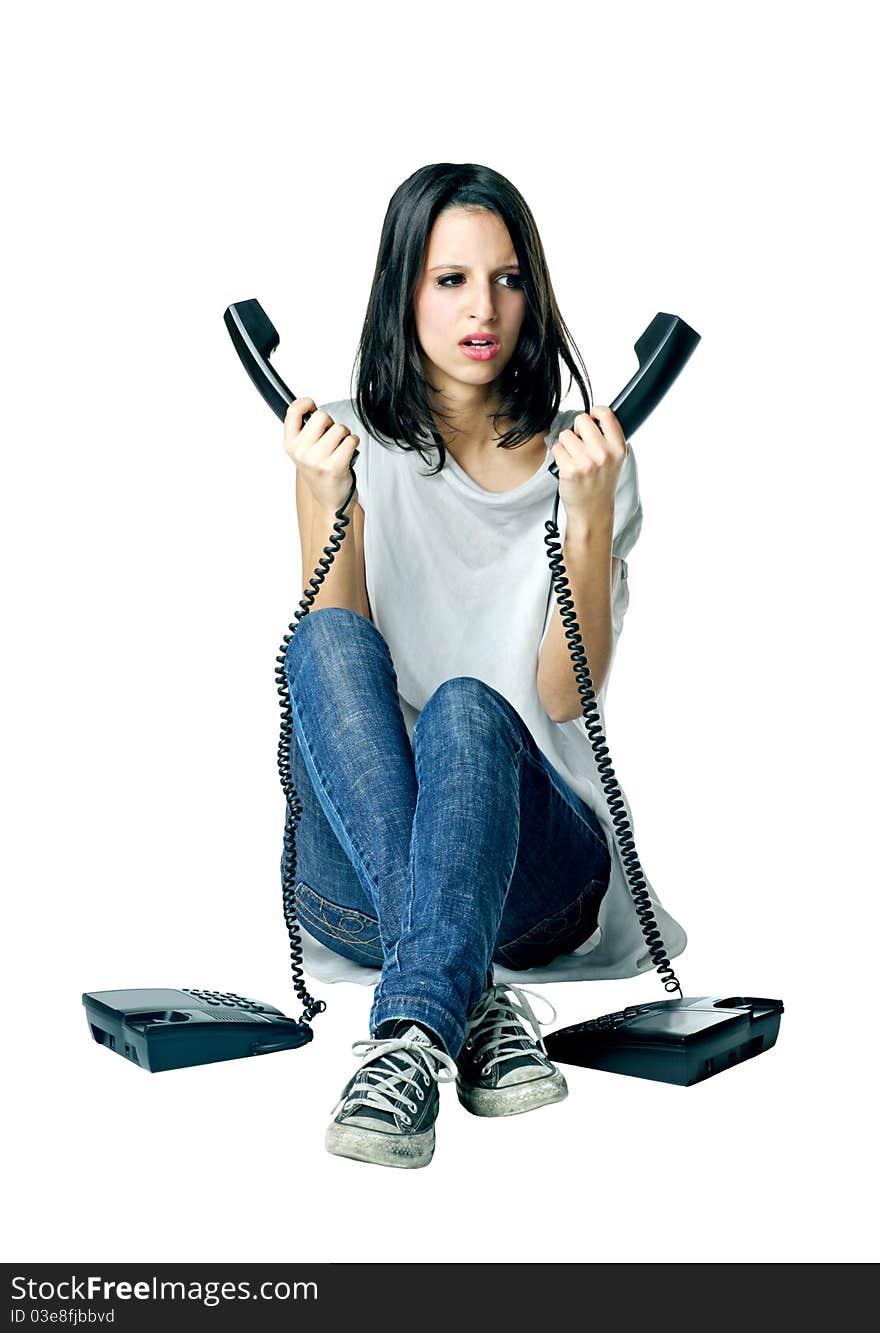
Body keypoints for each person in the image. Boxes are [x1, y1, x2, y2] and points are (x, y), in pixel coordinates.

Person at [280, 162, 686, 1169]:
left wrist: (585, 513)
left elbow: (560, 695)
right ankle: (460, 990)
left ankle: (412, 1028)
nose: (484, 309)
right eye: (450, 279)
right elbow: (337, 683)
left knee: (469, 706)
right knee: (322, 640)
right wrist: (330, 499)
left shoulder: (587, 460)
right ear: (402, 292)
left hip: (536, 879)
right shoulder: (340, 444)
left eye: (507, 280)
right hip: (366, 881)